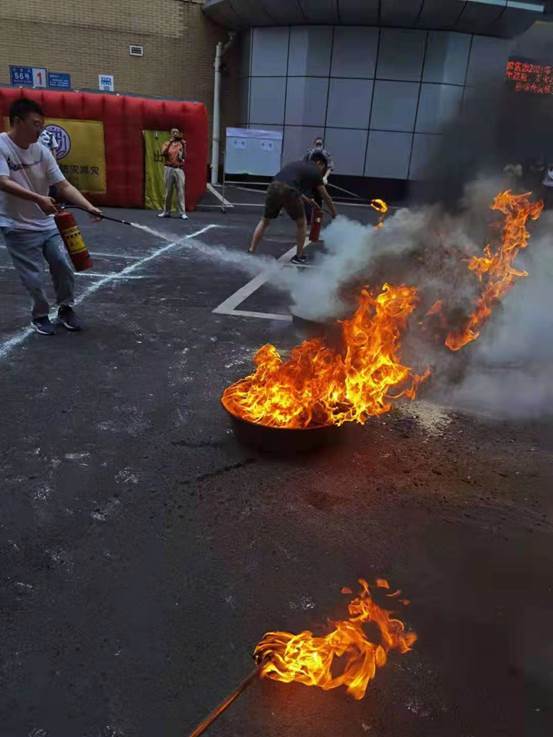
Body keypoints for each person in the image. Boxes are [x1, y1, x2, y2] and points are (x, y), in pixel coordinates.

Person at [0, 97, 102, 335]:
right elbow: (2, 182)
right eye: (35, 124)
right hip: (17, 226)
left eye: (41, 125)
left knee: (62, 264)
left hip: (46, 223)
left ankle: (66, 308)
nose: (40, 130)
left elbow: (63, 185)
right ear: (18, 121)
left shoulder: (42, 151)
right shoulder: (2, 146)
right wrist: (39, 199)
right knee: (33, 276)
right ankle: (40, 315)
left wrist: (89, 206)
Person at [247, 152, 337, 264]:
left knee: (265, 221)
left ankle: (251, 250)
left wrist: (308, 200)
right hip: (289, 191)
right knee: (302, 223)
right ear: (319, 163)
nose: (322, 171)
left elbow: (292, 185)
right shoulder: (315, 171)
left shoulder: (297, 164)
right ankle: (299, 256)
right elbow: (325, 196)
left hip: (273, 186)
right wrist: (334, 213)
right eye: (323, 167)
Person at [158, 127, 188, 220]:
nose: (175, 134)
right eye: (173, 132)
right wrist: (170, 143)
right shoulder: (167, 143)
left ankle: (182, 213)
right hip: (169, 168)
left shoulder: (182, 144)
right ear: (170, 134)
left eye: (176, 132)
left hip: (179, 169)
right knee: (168, 191)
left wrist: (183, 145)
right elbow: (163, 153)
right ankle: (166, 211)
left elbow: (184, 156)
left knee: (180, 191)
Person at [303, 137, 334, 223]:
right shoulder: (309, 153)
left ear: (322, 145)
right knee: (308, 198)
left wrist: (325, 177)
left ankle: (317, 219)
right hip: (309, 179)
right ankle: (308, 219)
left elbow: (330, 167)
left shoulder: (326, 154)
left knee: (319, 198)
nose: (318, 145)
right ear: (314, 144)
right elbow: (303, 164)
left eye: (320, 144)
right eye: (317, 144)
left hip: (320, 179)